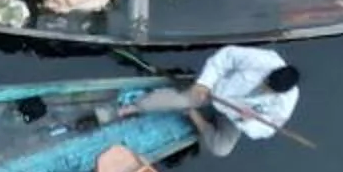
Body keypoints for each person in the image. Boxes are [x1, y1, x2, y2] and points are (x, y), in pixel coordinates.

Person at [127, 44, 301, 157]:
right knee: (178, 100)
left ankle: (193, 115)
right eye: (266, 82)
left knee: (222, 149)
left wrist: (248, 120)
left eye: (269, 90)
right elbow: (224, 58)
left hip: (234, 116)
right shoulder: (262, 59)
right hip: (214, 92)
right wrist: (204, 83)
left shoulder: (286, 101)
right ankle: (135, 106)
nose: (264, 87)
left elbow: (267, 130)